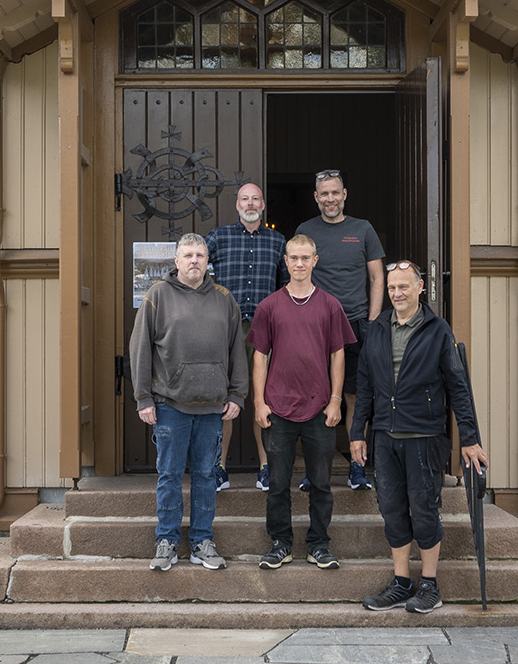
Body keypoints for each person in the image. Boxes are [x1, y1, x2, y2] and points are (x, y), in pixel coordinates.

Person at [350, 260, 488, 613]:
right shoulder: (378, 328)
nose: (396, 293)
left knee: (425, 511)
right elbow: (364, 386)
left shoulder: (437, 329)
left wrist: (469, 438)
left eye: (404, 287)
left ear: (420, 287)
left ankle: (429, 585)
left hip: (424, 436)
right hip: (385, 435)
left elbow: (458, 387)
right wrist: (357, 433)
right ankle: (400, 583)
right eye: (392, 287)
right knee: (393, 510)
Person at [129, 232, 248, 573]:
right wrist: (143, 398)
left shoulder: (225, 300)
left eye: (200, 255)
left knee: (205, 476)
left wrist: (237, 394)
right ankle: (165, 541)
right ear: (176, 261)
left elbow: (236, 351)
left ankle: (201, 541)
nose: (194, 260)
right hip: (169, 404)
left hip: (212, 407)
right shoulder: (157, 296)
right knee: (168, 475)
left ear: (208, 261)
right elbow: (140, 350)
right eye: (188, 255)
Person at [248, 234, 355, 571]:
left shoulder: (330, 305)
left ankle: (319, 545)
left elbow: (338, 355)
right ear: (285, 261)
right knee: (278, 483)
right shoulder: (269, 306)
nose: (298, 264)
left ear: (315, 261)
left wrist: (336, 400)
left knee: (321, 483)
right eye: (293, 258)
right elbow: (259, 357)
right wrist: (259, 403)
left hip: (319, 408)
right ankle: (280, 543)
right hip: (277, 408)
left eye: (305, 258)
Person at [296, 169, 385, 490]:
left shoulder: (362, 230)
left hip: (357, 325)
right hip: (316, 328)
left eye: (335, 193)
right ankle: (315, 470)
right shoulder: (305, 230)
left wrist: (373, 323)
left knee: (355, 397)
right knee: (317, 398)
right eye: (324, 194)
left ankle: (357, 468)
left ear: (344, 194)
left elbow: (377, 278)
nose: (330, 199)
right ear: (316, 197)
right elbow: (298, 273)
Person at [206, 182, 287, 493]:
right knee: (223, 397)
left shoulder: (278, 241)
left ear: (263, 204)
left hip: (266, 330)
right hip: (226, 328)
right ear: (237, 204)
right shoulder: (218, 237)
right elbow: (195, 270)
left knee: (263, 398)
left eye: (255, 198)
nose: (250, 203)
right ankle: (219, 468)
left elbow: (285, 288)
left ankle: (266, 467)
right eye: (244, 199)